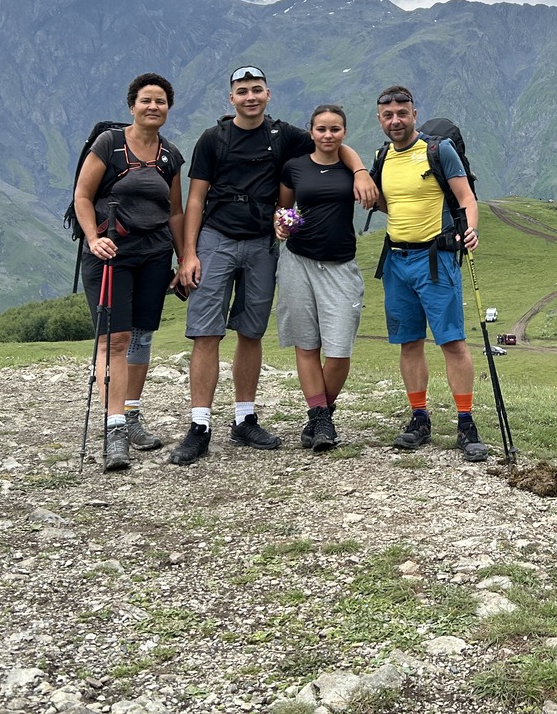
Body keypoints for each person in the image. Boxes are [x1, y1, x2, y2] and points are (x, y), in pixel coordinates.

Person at [171, 65, 376, 465]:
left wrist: (361, 170)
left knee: (251, 332)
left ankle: (244, 419)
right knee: (205, 332)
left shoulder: (285, 136)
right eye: (242, 91)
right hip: (215, 238)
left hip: (263, 243)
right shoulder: (213, 138)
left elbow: (331, 140)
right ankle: (199, 427)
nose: (250, 97)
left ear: (268, 94)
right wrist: (189, 254)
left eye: (257, 90)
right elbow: (194, 198)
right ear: (231, 98)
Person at [71, 73, 186, 471]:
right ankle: (115, 426)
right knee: (114, 339)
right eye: (146, 100)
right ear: (131, 105)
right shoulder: (109, 144)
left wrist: (184, 257)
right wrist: (91, 238)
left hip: (154, 252)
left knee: (141, 334)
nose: (153, 107)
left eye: (161, 101)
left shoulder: (170, 154)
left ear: (168, 108)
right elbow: (83, 196)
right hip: (111, 249)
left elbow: (174, 211)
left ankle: (131, 414)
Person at [371, 85, 489, 462]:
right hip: (396, 260)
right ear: (379, 119)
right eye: (388, 115)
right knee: (409, 342)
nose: (395, 121)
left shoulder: (438, 151)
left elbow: (467, 197)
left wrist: (470, 229)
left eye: (402, 113)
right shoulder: (381, 157)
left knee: (452, 341)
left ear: (414, 114)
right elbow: (388, 203)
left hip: (435, 259)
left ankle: (466, 423)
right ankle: (419, 418)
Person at [275, 104, 365, 452]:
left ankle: (319, 414)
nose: (328, 135)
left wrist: (359, 171)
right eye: (322, 129)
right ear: (310, 131)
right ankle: (322, 419)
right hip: (298, 261)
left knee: (339, 350)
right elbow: (283, 208)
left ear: (344, 133)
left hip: (341, 266)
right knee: (307, 344)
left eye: (335, 129)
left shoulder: (353, 167)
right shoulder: (294, 168)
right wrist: (280, 223)